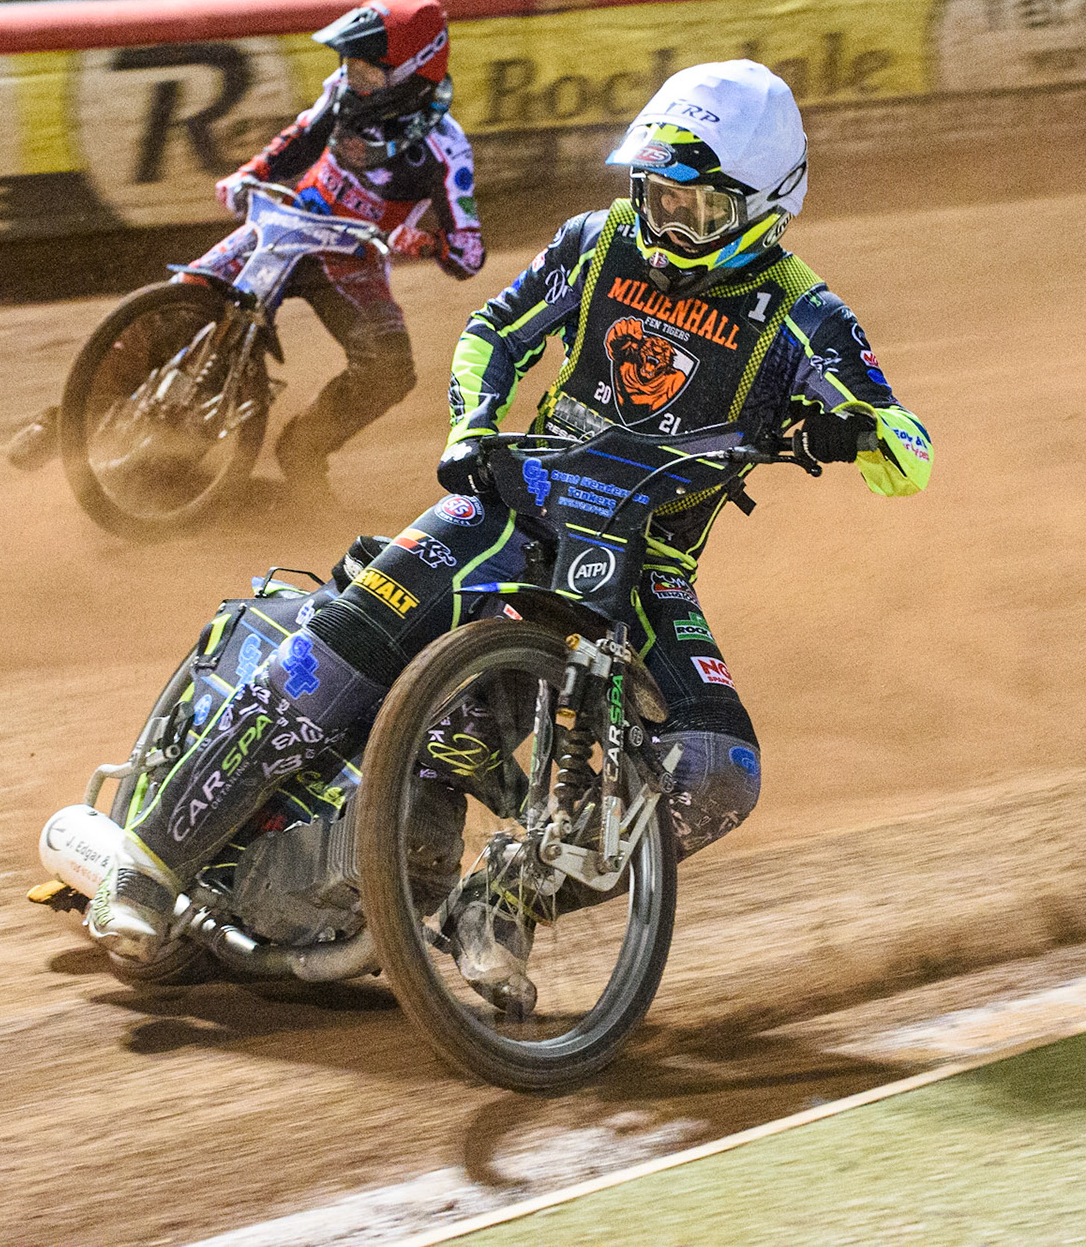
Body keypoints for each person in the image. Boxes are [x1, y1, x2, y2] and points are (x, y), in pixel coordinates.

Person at [85, 60, 932, 1006]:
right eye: (657, 196)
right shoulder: (595, 242)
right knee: (332, 657)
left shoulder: (805, 313)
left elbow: (906, 444)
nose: (668, 226)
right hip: (511, 498)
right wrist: (471, 430)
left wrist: (870, 433)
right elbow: (494, 329)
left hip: (647, 563)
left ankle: (500, 905)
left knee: (717, 771)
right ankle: (148, 864)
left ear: (768, 206)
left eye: (700, 211)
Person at [8, 0, 485, 494]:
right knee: (179, 301)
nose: (352, 76)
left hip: (349, 258)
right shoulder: (343, 91)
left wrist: (426, 244)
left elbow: (469, 253)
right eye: (350, 63)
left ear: (412, 73)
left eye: (367, 69)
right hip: (288, 224)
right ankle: (64, 421)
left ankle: (303, 447)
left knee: (390, 370)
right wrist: (250, 174)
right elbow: (302, 135)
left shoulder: (446, 149)